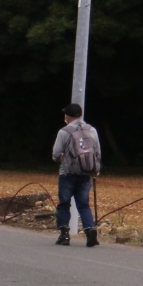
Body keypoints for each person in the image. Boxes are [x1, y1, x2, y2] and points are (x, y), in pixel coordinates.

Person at [51, 102, 101, 247]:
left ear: (67, 116)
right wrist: (95, 168)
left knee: (64, 203)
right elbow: (97, 152)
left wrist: (59, 158)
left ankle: (64, 234)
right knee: (83, 204)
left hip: (67, 172)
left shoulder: (64, 132)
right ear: (80, 115)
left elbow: (55, 153)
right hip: (86, 172)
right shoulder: (92, 130)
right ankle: (89, 229)